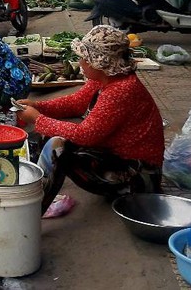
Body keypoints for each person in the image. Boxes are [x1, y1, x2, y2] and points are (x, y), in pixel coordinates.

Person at [15, 25, 165, 214]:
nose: (80, 62)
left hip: (138, 176)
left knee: (56, 147)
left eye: (84, 59)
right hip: (115, 156)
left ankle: (30, 211)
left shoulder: (121, 90)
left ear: (99, 63)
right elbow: (75, 103)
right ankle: (31, 194)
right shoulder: (105, 79)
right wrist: (38, 107)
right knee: (51, 134)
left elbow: (85, 135)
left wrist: (37, 119)